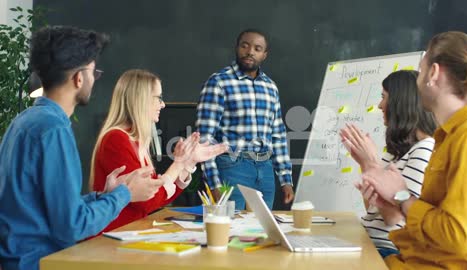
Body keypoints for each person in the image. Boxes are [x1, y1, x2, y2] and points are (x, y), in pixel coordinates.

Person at [0, 26, 163, 270]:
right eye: (93, 72)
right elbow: (72, 225)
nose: (93, 79)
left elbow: (43, 208)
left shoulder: (24, 121)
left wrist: (104, 195)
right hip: (40, 262)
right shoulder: (53, 130)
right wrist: (125, 194)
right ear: (79, 78)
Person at [361, 31, 467, 269]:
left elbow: (457, 236)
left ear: (433, 73)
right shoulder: (449, 135)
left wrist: (401, 196)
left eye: (421, 70)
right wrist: (394, 202)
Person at [90, 69, 227, 232]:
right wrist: (178, 164)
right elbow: (148, 201)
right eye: (159, 98)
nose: (162, 104)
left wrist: (188, 163)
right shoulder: (116, 139)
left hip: (129, 234)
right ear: (141, 99)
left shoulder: (134, 140)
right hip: (112, 239)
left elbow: (159, 198)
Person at [340, 70, 437, 258]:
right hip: (369, 240)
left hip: (387, 248)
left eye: (383, 97)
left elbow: (396, 220)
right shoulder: (395, 153)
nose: (379, 105)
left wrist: (371, 164)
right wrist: (365, 165)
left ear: (400, 103)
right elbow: (373, 209)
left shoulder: (425, 149)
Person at [196, 29, 294, 210]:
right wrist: (214, 184)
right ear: (237, 48)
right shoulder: (219, 82)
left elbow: (278, 135)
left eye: (257, 48)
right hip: (232, 168)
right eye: (245, 46)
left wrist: (285, 179)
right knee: (232, 232)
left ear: (264, 55)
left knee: (262, 234)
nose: (250, 52)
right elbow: (205, 139)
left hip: (265, 170)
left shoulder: (270, 87)